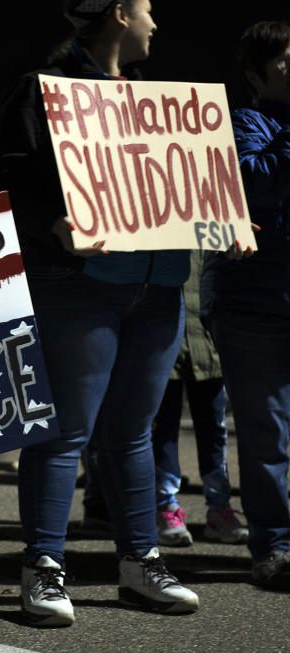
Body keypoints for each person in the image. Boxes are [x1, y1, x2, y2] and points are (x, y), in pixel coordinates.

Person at [0, 0, 199, 627]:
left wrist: (224, 218)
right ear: (118, 15)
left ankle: (140, 561)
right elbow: (12, 177)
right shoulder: (42, 90)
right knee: (65, 432)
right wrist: (52, 223)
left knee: (133, 432)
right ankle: (43, 567)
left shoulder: (148, 98)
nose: (157, 24)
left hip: (156, 287)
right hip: (80, 284)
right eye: (148, 11)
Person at [201, 19, 290, 590]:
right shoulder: (243, 123)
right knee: (267, 433)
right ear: (258, 74)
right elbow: (253, 183)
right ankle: (275, 546)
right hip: (254, 304)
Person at [153, 252, 247, 546]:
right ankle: (165, 506)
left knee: (214, 428)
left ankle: (219, 508)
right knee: (163, 427)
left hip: (209, 338)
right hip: (164, 337)